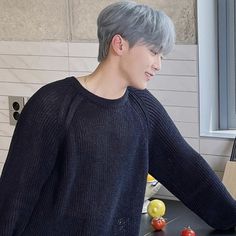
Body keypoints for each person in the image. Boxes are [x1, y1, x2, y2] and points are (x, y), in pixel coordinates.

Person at [0, 1, 236, 235]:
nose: (158, 65)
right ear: (119, 44)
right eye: (154, 52)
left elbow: (187, 169)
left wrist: (231, 217)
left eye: (161, 56)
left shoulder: (143, 108)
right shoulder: (52, 104)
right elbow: (16, 197)